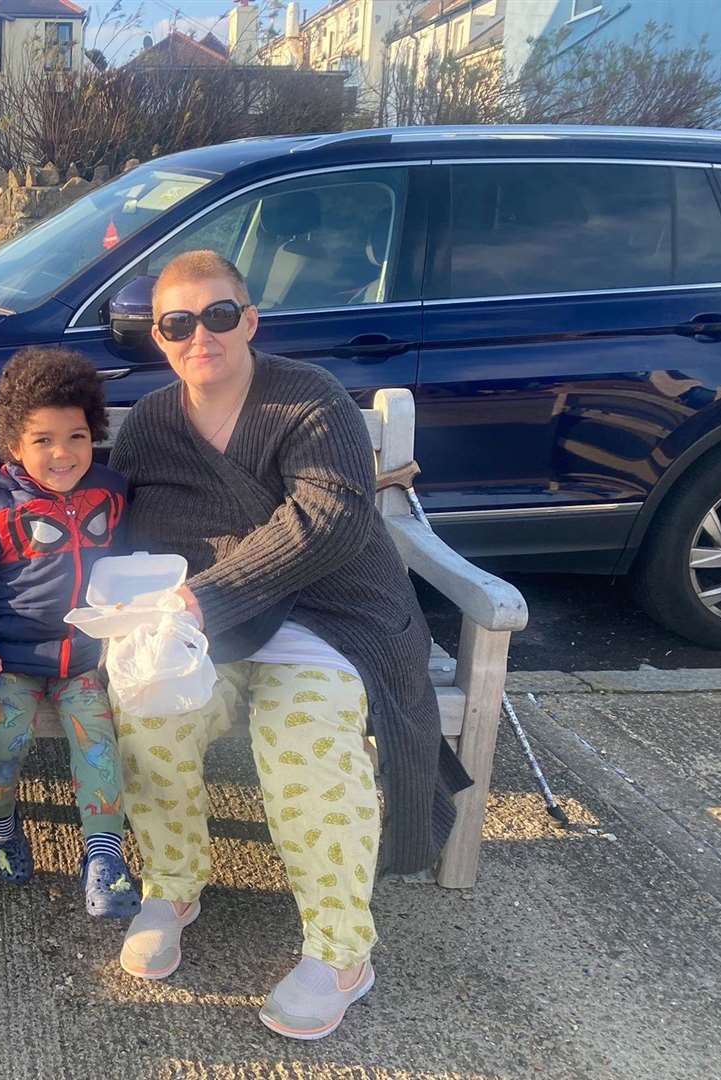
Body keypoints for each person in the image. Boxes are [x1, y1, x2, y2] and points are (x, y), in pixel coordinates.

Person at [106, 251, 471, 1040]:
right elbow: (128, 523)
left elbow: (331, 518)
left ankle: (342, 950)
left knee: (301, 736)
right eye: (177, 323)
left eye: (218, 315)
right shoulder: (152, 424)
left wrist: (207, 591)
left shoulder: (310, 400)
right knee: (149, 708)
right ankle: (172, 884)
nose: (199, 334)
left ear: (250, 320)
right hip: (218, 628)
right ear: (160, 341)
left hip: (328, 613)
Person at [0, 347, 141, 920]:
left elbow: (129, 565)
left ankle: (104, 855)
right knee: (4, 739)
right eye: (43, 439)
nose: (62, 453)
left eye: (76, 436)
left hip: (86, 660)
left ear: (94, 432)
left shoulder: (111, 492)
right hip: (12, 660)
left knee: (99, 748)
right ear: (13, 445)